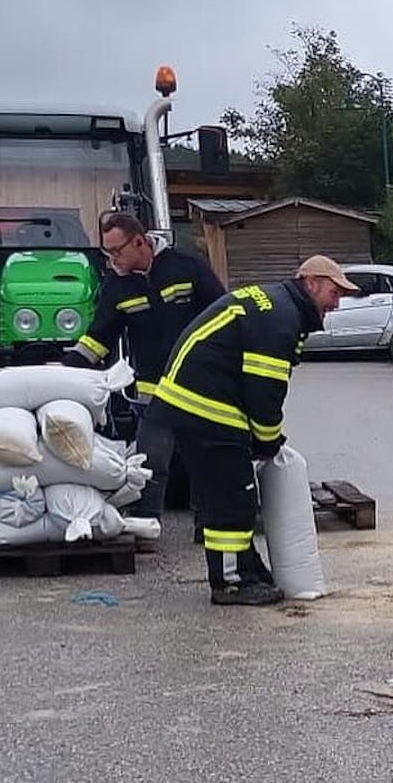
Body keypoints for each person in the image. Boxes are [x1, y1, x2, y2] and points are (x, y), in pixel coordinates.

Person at [149, 255, 352, 605]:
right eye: (333, 293)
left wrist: (264, 441)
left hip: (194, 405)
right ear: (311, 282)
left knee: (228, 493)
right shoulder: (280, 319)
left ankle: (245, 567)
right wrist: (269, 440)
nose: (336, 303)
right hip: (206, 410)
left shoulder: (277, 305)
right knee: (231, 498)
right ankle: (230, 583)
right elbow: (265, 394)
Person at [64, 212, 225, 520]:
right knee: (151, 461)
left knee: (205, 458)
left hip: (200, 387)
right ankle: (146, 525)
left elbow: (222, 318)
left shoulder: (187, 268)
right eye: (107, 252)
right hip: (155, 393)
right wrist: (64, 372)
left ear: (140, 242)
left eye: (117, 251)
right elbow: (99, 340)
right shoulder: (116, 286)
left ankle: (208, 523)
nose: (112, 260)